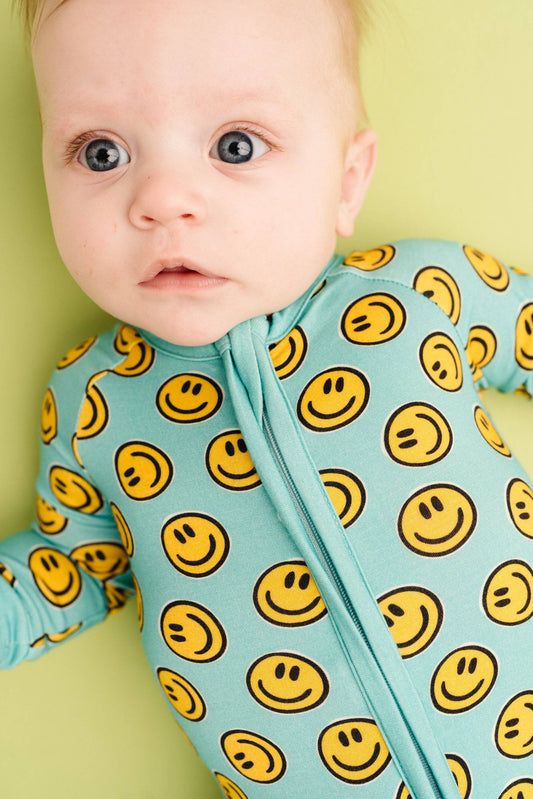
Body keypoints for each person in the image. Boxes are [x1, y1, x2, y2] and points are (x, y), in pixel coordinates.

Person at [1, 0, 532, 796]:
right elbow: (73, 565)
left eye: (235, 146)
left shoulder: (416, 297)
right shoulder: (95, 404)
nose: (162, 198)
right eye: (101, 152)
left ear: (345, 182)